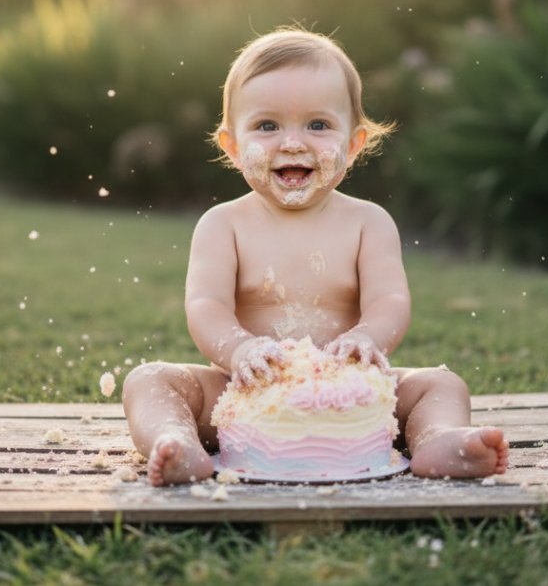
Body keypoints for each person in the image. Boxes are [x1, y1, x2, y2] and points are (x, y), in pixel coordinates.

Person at [122, 28, 509, 486]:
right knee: (149, 380)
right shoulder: (222, 225)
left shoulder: (369, 222)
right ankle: (176, 439)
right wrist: (240, 348)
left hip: (354, 396)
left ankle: (439, 439)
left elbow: (390, 301)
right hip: (246, 395)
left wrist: (368, 338)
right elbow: (206, 306)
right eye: (267, 126)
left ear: (353, 144)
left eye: (318, 125)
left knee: (441, 384)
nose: (292, 143)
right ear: (231, 146)